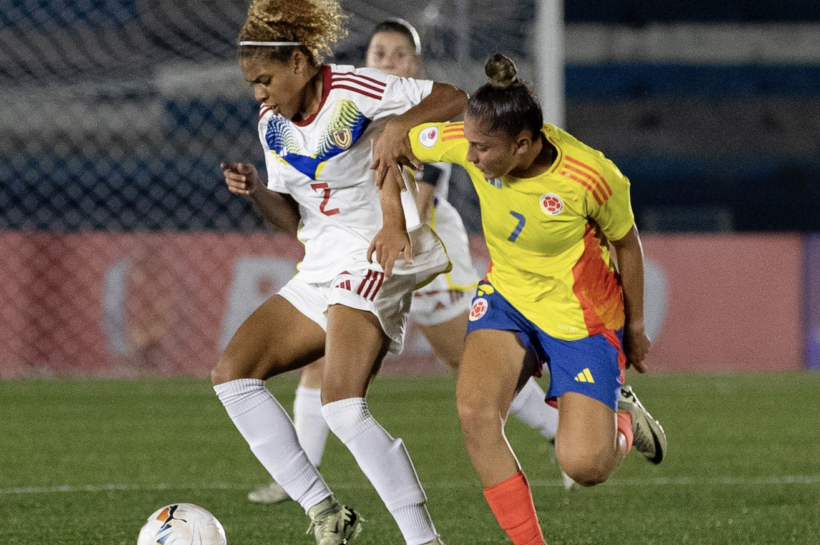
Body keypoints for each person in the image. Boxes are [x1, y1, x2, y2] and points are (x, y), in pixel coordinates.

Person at [247, 18, 568, 507]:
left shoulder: (426, 122)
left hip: (419, 247)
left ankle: (561, 427)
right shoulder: (355, 107)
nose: (388, 61)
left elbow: (419, 194)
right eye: (380, 53)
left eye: (400, 55)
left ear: (413, 66)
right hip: (373, 248)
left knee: (465, 359)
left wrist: (378, 227)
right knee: (322, 360)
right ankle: (301, 473)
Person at [212, 1, 467, 544]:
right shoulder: (272, 124)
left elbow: (454, 98)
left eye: (265, 79)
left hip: (379, 250)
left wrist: (399, 125)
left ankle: (425, 540)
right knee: (232, 375)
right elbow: (294, 219)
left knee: (343, 406)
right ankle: (324, 511)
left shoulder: (354, 88)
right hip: (323, 260)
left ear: (300, 63)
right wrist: (257, 189)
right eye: (252, 83)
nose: (258, 93)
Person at [405, 54, 668, 545]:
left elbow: (627, 244)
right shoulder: (472, 142)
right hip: (508, 300)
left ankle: (623, 422)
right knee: (476, 411)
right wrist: (386, 142)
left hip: (581, 317)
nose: (473, 157)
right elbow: (407, 136)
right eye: (471, 144)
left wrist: (634, 329)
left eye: (484, 149)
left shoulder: (592, 176)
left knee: (585, 465)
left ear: (523, 144)